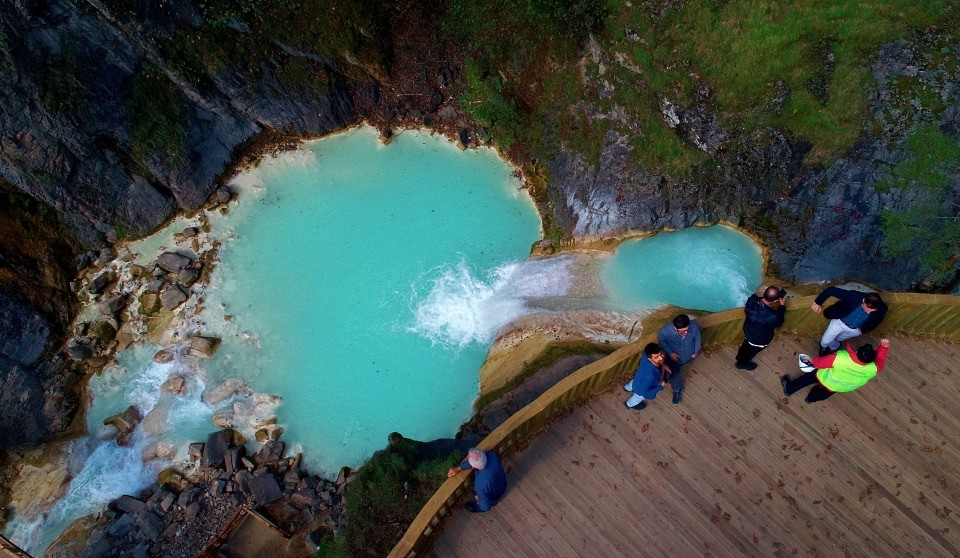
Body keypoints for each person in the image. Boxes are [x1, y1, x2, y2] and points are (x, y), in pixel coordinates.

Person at [781, 338, 890, 403]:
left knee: (806, 379)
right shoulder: (873, 368)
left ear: (857, 352)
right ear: (871, 361)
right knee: (822, 394)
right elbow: (880, 360)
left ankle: (789, 389)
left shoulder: (841, 357)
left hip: (825, 376)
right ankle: (810, 399)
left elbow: (820, 363)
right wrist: (883, 348)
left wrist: (811, 361)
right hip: (840, 386)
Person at [811, 287, 887, 356]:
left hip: (855, 330)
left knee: (838, 339)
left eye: (872, 311)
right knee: (824, 341)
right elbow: (832, 290)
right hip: (839, 323)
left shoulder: (882, 309)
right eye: (866, 309)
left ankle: (834, 348)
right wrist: (818, 303)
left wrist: (862, 331)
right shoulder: (854, 296)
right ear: (863, 301)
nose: (868, 312)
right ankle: (823, 348)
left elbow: (876, 321)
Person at [735, 286, 787, 370]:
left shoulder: (752, 301)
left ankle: (740, 357)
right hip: (759, 340)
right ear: (775, 300)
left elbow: (754, 297)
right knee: (751, 351)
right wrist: (782, 305)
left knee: (746, 345)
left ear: (764, 294)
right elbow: (779, 322)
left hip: (748, 331)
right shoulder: (772, 316)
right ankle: (742, 363)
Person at [657, 314, 701, 404]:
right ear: (675, 328)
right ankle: (677, 389)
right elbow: (662, 340)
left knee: (672, 373)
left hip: (688, 355)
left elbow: (698, 339)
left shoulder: (693, 326)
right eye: (683, 331)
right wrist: (670, 353)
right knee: (674, 376)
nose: (686, 333)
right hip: (674, 358)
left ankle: (667, 375)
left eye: (687, 329)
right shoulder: (665, 331)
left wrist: (695, 352)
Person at [447, 447, 507, 513]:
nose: (467, 458)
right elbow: (478, 460)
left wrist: (480, 504)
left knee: (482, 504)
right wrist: (459, 468)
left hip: (495, 496)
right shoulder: (492, 455)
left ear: (474, 467)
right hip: (503, 484)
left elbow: (486, 507)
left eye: (468, 458)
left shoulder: (480, 485)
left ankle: (477, 506)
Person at [623, 342, 669, 410]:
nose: (661, 358)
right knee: (637, 397)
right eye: (656, 357)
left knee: (634, 382)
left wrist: (662, 364)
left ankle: (627, 388)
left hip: (638, 378)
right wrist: (660, 387)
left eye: (661, 354)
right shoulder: (650, 376)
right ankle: (629, 404)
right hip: (640, 390)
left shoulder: (646, 354)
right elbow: (645, 392)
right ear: (650, 359)